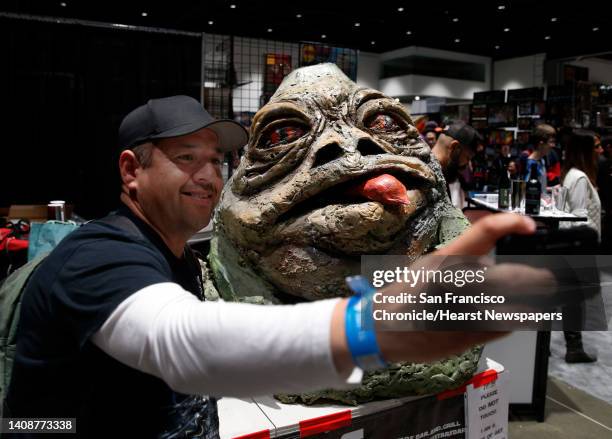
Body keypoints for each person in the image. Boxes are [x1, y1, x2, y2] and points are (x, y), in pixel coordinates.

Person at [4, 96, 538, 438]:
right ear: (131, 171)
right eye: (186, 158)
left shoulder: (179, 256)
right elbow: (180, 342)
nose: (207, 176)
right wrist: (366, 329)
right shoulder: (99, 256)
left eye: (216, 161)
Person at [559, 129, 601, 364]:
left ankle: (567, 346)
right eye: (596, 146)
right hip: (577, 249)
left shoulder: (575, 175)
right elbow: (577, 217)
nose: (601, 149)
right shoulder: (580, 178)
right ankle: (573, 347)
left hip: (575, 247)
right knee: (574, 299)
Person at [524, 123, 556, 190]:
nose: (553, 145)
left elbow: (539, 188)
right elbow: (526, 189)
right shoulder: (531, 164)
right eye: (551, 142)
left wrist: (551, 188)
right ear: (541, 144)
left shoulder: (542, 161)